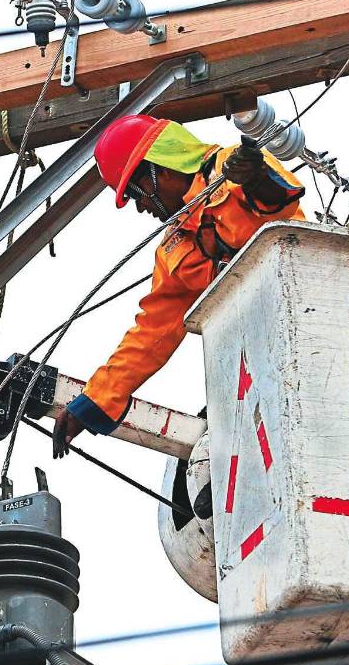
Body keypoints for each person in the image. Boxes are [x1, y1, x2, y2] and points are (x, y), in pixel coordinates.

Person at [52, 115, 305, 457]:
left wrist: (256, 178)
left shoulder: (230, 167)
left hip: (305, 316)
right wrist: (93, 402)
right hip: (259, 358)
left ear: (162, 169)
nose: (141, 206)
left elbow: (282, 202)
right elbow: (152, 334)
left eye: (137, 192)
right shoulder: (173, 249)